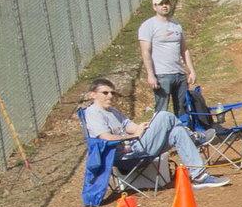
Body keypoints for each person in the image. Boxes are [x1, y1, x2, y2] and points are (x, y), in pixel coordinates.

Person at [81, 79, 230, 188]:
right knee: (163, 115)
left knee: (177, 131)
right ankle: (195, 137)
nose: (110, 96)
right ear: (93, 95)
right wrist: (134, 136)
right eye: (105, 93)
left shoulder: (112, 111)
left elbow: (131, 127)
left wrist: (145, 127)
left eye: (112, 93)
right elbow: (106, 138)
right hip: (127, 156)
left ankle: (199, 176)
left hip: (137, 147)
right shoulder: (93, 113)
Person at [138, 0, 194, 118]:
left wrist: (191, 70)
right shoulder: (148, 26)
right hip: (162, 75)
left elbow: (184, 49)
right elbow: (145, 52)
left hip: (179, 74)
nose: (164, 6)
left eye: (167, 3)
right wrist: (151, 75)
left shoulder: (176, 25)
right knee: (161, 110)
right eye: (161, 4)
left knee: (183, 109)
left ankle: (183, 129)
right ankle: (159, 130)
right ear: (154, 7)